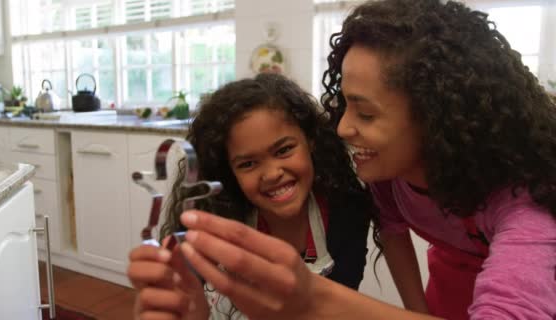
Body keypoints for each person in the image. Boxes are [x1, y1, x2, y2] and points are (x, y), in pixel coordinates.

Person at [167, 0, 556, 319]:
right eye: (345, 106)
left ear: (438, 118)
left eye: (366, 114)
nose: (342, 128)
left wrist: (313, 299)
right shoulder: (390, 178)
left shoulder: (528, 206)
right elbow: (393, 231)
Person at [127, 73, 375, 319]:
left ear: (310, 141)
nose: (271, 174)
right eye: (247, 164)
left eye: (284, 149)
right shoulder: (214, 217)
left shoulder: (346, 210)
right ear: (229, 173)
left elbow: (344, 304)